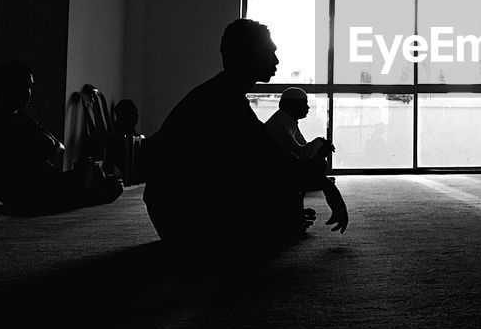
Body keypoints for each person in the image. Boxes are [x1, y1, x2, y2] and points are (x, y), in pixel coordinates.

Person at [142, 19, 348, 253]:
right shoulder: (224, 102)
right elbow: (275, 162)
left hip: (173, 213)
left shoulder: (221, 93)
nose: (277, 60)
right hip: (184, 221)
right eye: (270, 53)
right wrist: (326, 185)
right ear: (248, 55)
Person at [0, 61, 124, 214]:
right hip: (30, 191)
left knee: (110, 181)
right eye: (25, 87)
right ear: (9, 87)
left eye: (30, 87)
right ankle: (79, 196)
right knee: (112, 186)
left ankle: (82, 192)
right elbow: (50, 148)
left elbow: (58, 147)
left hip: (47, 182)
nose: (29, 92)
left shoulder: (21, 118)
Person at [265, 87, 350, 222]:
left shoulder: (287, 120)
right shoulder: (281, 125)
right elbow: (301, 154)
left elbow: (303, 149)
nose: (308, 107)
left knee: (320, 166)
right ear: (293, 105)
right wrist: (320, 142)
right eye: (304, 103)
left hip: (282, 167)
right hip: (273, 173)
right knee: (321, 173)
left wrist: (319, 149)